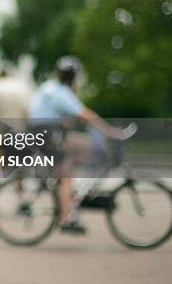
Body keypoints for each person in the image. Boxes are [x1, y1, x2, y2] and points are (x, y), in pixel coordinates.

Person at [28, 56, 125, 234]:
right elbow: (85, 114)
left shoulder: (50, 87)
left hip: (47, 133)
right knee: (67, 175)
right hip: (48, 134)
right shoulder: (60, 92)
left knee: (82, 148)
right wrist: (110, 131)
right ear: (73, 78)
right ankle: (66, 219)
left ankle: (72, 199)